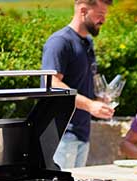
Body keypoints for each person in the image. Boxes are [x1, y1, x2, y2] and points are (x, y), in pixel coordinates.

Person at [42, 0, 115, 169]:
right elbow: (52, 83)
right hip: (62, 134)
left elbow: (81, 83)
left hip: (82, 133)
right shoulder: (60, 42)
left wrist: (99, 100)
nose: (103, 20)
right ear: (83, 11)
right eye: (100, 14)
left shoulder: (87, 42)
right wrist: (90, 105)